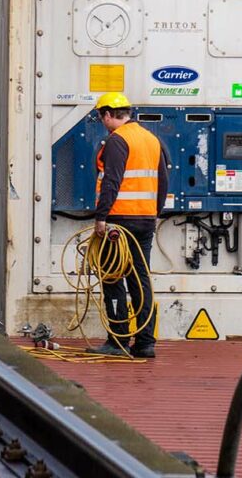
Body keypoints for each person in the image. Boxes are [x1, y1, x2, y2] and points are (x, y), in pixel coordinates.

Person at [93, 92, 168, 358]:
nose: (102, 122)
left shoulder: (117, 140)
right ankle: (145, 343)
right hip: (145, 220)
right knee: (140, 279)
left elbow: (111, 181)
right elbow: (163, 181)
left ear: (107, 114)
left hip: (119, 220)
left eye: (101, 117)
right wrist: (155, 214)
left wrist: (101, 217)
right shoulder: (151, 139)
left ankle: (118, 341)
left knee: (113, 277)